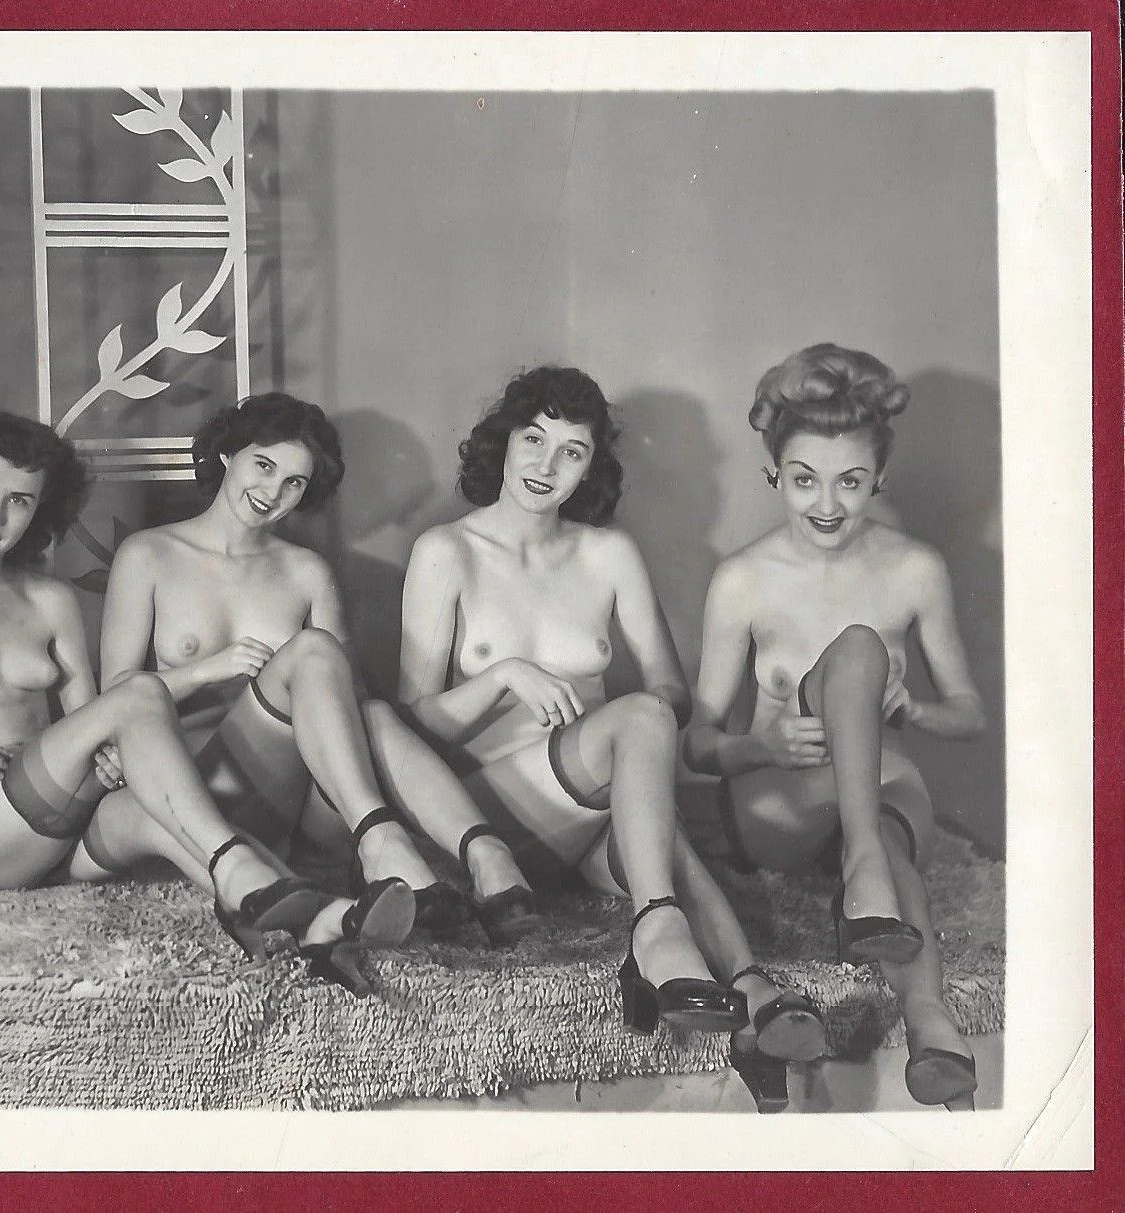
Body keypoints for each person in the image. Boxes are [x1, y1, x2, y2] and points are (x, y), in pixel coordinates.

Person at [0, 403, 412, 978]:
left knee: (161, 809)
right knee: (141, 698)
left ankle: (316, 922)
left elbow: (89, 716)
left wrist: (119, 755)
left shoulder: (49, 600)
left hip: (65, 821)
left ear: (40, 508)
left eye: (19, 500)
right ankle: (240, 870)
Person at [398, 366, 824, 1110]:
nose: (546, 464)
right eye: (534, 439)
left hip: (587, 809)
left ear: (591, 467)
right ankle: (656, 934)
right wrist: (505, 677)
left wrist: (627, 741)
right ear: (503, 441)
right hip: (491, 816)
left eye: (572, 451)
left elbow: (671, 692)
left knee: (661, 832)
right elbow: (411, 723)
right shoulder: (446, 551)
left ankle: (752, 997)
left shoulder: (609, 554)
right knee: (642, 743)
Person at [99, 392, 542, 978]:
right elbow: (119, 696)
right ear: (227, 454)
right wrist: (208, 668)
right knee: (313, 651)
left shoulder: (306, 572)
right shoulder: (149, 555)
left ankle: (475, 856)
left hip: (296, 806)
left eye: (295, 483)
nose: (273, 492)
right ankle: (385, 842)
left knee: (369, 710)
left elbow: (345, 703)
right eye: (264, 466)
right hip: (200, 792)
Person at [682, 344, 987, 1110]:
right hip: (778, 798)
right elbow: (697, 742)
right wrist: (760, 743)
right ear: (773, 474)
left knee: (882, 831)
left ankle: (931, 1022)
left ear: (879, 477)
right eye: (804, 479)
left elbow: (969, 713)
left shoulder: (916, 569)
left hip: (885, 788)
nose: (827, 503)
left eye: (850, 480)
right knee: (857, 648)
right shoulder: (743, 579)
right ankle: (866, 871)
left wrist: (912, 709)